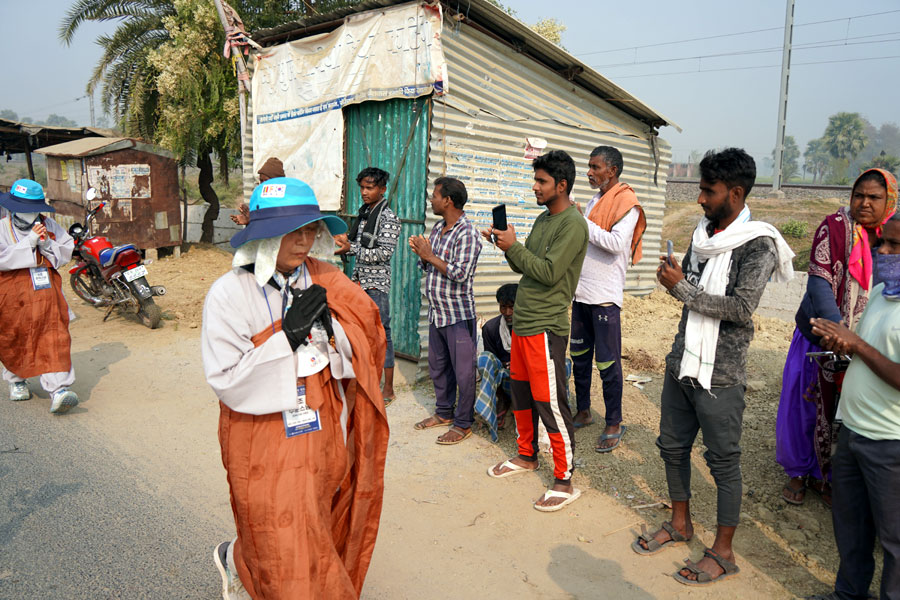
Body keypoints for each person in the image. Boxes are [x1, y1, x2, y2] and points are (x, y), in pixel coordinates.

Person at [202, 177, 389, 599]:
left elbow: (363, 348)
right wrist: (284, 338)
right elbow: (226, 379)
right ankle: (256, 569)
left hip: (320, 426)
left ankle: (238, 561)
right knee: (281, 535)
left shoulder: (323, 281)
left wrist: (333, 334)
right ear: (265, 234)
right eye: (293, 231)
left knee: (314, 525)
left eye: (311, 230)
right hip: (264, 433)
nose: (305, 241)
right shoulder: (229, 294)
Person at [635, 148, 794, 586]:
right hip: (682, 362)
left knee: (723, 462)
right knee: (671, 447)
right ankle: (681, 523)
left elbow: (742, 308)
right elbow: (689, 282)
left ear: (736, 193)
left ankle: (723, 552)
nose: (701, 199)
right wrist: (676, 277)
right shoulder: (703, 234)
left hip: (721, 375)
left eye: (709, 191)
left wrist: (681, 289)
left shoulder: (759, 244)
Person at [776, 168, 897, 506]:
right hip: (821, 336)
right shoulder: (835, 227)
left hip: (862, 344)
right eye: (859, 195)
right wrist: (836, 328)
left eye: (874, 197)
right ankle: (799, 471)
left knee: (839, 410)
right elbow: (819, 280)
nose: (864, 203)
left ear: (889, 201)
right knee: (805, 406)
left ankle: (826, 475)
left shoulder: (890, 237)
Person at [483, 150, 589, 512]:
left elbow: (547, 272)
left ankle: (564, 478)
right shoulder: (545, 220)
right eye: (536, 180)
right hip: (525, 325)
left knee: (550, 402)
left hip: (546, 326)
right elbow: (528, 268)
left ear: (562, 184)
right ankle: (527, 455)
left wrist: (516, 247)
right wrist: (507, 246)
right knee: (522, 395)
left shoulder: (573, 224)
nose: (535, 186)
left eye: (542, 181)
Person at [805, 211, 900, 600]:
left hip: (890, 442)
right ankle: (848, 595)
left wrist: (856, 344)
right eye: (882, 243)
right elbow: (867, 351)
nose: (883, 251)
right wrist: (841, 343)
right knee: (851, 527)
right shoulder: (882, 293)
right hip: (855, 430)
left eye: (895, 246)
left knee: (894, 539)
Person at [570, 145, 646, 454]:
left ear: (611, 170)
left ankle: (613, 421)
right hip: (581, 294)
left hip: (604, 298)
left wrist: (581, 221)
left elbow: (616, 245)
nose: (589, 171)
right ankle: (585, 410)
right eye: (589, 166)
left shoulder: (628, 204)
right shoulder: (594, 200)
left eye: (594, 167)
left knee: (608, 363)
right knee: (580, 357)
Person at [410, 177, 482, 444]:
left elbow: (461, 273)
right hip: (437, 312)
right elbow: (430, 267)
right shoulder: (438, 228)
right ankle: (444, 413)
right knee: (438, 367)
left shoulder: (467, 233)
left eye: (435, 195)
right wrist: (423, 256)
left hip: (458, 315)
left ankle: (463, 423)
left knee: (464, 373)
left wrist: (429, 256)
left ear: (448, 200)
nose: (432, 199)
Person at [0, 179, 79, 414]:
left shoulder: (50, 225)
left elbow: (65, 251)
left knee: (53, 334)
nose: (30, 214)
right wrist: (28, 242)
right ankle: (16, 380)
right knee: (16, 335)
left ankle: (59, 390)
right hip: (11, 293)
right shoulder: (2, 227)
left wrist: (46, 245)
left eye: (33, 209)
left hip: (45, 289)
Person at [335, 167, 400, 404]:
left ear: (382, 189)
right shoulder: (364, 215)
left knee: (383, 334)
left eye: (369, 187)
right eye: (362, 187)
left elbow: (383, 253)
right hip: (359, 281)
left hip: (376, 285)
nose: (364, 192)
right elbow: (355, 245)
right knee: (359, 332)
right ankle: (365, 381)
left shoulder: (388, 217)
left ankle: (389, 389)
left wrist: (350, 248)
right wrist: (344, 242)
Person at [475, 283, 517, 442]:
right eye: (503, 307)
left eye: (512, 307)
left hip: (527, 379)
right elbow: (491, 366)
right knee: (485, 360)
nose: (507, 312)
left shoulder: (532, 327)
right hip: (505, 380)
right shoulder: (491, 328)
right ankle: (499, 402)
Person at [230, 157, 285, 226]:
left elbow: (278, 225)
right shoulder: (258, 199)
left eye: (266, 181)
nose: (262, 185)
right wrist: (249, 221)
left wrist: (252, 218)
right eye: (261, 181)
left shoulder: (285, 203)